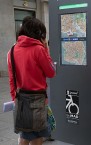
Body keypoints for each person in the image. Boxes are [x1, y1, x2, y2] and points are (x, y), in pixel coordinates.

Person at [7, 16, 55, 145]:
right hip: (38, 101)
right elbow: (51, 72)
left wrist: (15, 99)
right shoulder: (39, 49)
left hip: (21, 100)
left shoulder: (11, 50)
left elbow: (12, 79)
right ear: (38, 33)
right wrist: (46, 49)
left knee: (25, 134)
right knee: (37, 136)